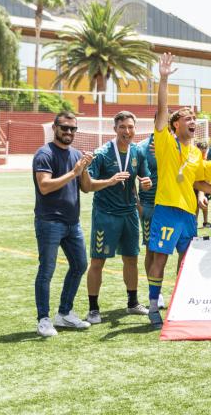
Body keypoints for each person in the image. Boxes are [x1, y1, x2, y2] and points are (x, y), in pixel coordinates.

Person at [145, 52, 206, 329]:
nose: (192, 120)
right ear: (174, 125)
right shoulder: (166, 143)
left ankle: (178, 303)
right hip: (167, 210)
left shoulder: (197, 152)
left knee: (185, 259)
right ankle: (154, 306)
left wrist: (203, 195)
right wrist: (164, 79)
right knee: (160, 257)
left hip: (187, 215)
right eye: (186, 117)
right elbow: (160, 111)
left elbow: (196, 182)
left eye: (194, 117)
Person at [83, 111, 152, 324]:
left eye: (131, 127)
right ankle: (93, 309)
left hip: (129, 213)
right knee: (98, 261)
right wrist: (110, 180)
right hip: (106, 214)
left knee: (131, 259)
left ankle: (132, 303)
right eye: (123, 127)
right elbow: (87, 185)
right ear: (115, 129)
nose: (127, 131)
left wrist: (146, 182)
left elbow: (143, 175)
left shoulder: (138, 152)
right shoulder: (102, 153)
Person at [33, 111, 94, 337]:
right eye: (64, 128)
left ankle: (64, 314)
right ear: (55, 128)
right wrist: (74, 171)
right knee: (46, 271)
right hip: (49, 222)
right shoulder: (44, 154)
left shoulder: (76, 154)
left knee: (79, 265)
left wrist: (85, 168)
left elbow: (86, 188)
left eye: (72, 129)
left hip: (72, 223)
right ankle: (44, 319)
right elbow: (45, 186)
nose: (68, 132)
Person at [135, 133, 165, 309]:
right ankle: (156, 292)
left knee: (172, 251)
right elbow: (132, 175)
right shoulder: (142, 147)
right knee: (152, 250)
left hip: (171, 204)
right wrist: (138, 204)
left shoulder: (176, 143)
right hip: (150, 204)